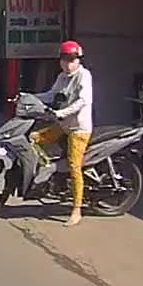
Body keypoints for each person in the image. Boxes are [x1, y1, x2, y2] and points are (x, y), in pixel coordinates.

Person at [30, 40, 94, 227]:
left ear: (78, 59)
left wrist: (62, 112)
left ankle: (76, 210)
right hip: (63, 125)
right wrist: (29, 97)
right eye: (64, 59)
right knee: (33, 139)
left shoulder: (84, 76)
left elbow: (83, 101)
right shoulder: (62, 77)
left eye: (71, 59)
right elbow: (50, 95)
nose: (67, 63)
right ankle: (49, 172)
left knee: (74, 166)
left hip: (79, 129)